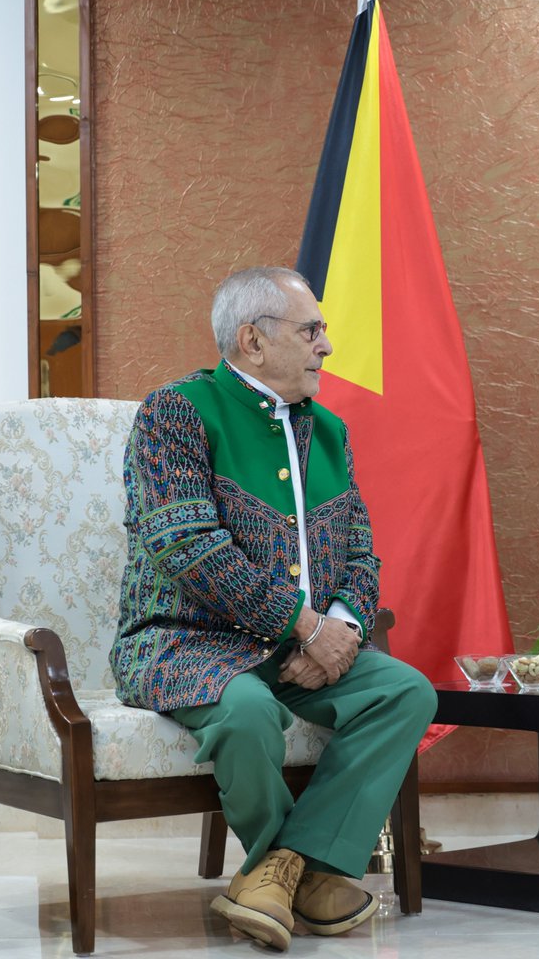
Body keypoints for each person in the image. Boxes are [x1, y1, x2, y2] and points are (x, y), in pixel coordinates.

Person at [111, 266, 437, 951]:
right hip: (182, 643)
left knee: (404, 692)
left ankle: (285, 873)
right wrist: (306, 626)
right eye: (311, 330)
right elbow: (187, 546)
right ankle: (298, 873)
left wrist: (342, 632)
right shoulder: (176, 411)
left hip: (306, 644)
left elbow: (360, 554)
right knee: (250, 711)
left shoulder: (330, 433)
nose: (327, 347)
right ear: (252, 342)